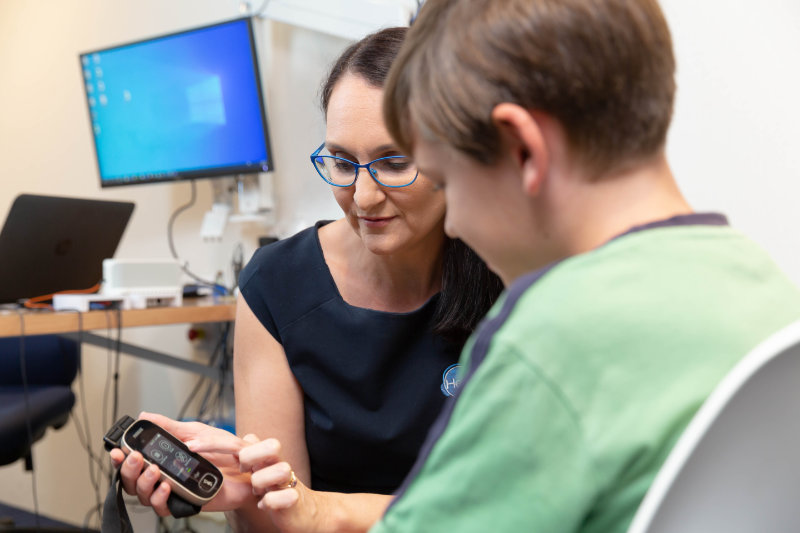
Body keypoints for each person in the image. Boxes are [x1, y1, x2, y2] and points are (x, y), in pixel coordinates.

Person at [363, 0, 800, 532]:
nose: (452, 224)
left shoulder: (548, 338)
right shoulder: (762, 283)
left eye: (448, 182)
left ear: (522, 149)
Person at [108, 27, 502, 532]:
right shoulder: (277, 287)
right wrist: (247, 494)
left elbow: (522, 504)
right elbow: (276, 523)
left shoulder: (507, 271)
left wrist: (325, 511)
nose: (363, 197)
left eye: (394, 161)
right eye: (341, 161)